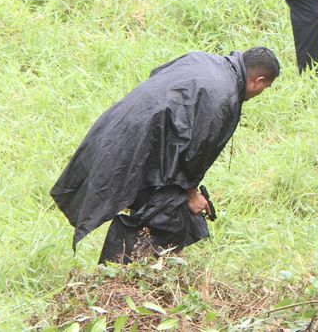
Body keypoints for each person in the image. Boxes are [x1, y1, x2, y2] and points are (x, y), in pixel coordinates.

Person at [50, 47, 280, 264]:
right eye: (266, 87)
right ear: (258, 81)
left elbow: (158, 76)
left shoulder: (201, 59)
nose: (261, 92)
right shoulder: (223, 98)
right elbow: (190, 157)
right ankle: (124, 278)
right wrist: (191, 194)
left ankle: (138, 273)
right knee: (166, 214)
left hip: (122, 123)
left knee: (158, 204)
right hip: (142, 141)